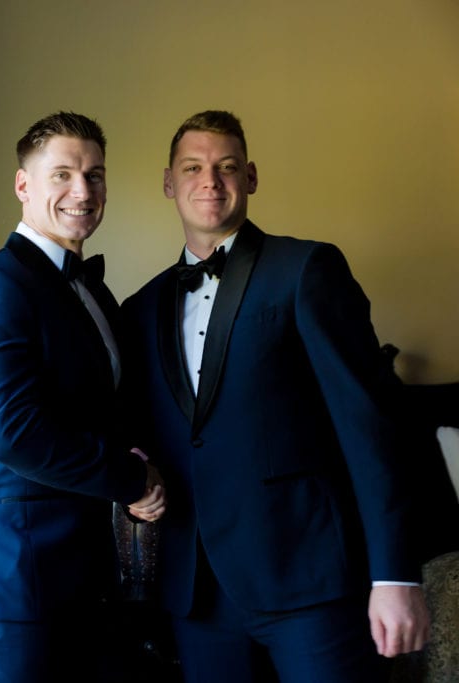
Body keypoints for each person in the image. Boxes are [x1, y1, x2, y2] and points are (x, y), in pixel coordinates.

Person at [121, 109, 431, 682]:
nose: (210, 181)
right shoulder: (140, 308)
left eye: (227, 166)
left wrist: (395, 576)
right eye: (192, 167)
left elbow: (372, 427)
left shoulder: (307, 269)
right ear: (169, 183)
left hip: (308, 580)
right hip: (199, 594)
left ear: (252, 177)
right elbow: (138, 428)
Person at [0, 111, 166, 683]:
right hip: (9, 574)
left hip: (85, 572)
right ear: (23, 185)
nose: (82, 191)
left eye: (95, 175)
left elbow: (101, 412)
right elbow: (13, 433)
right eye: (62, 174)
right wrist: (131, 481)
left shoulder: (96, 295)